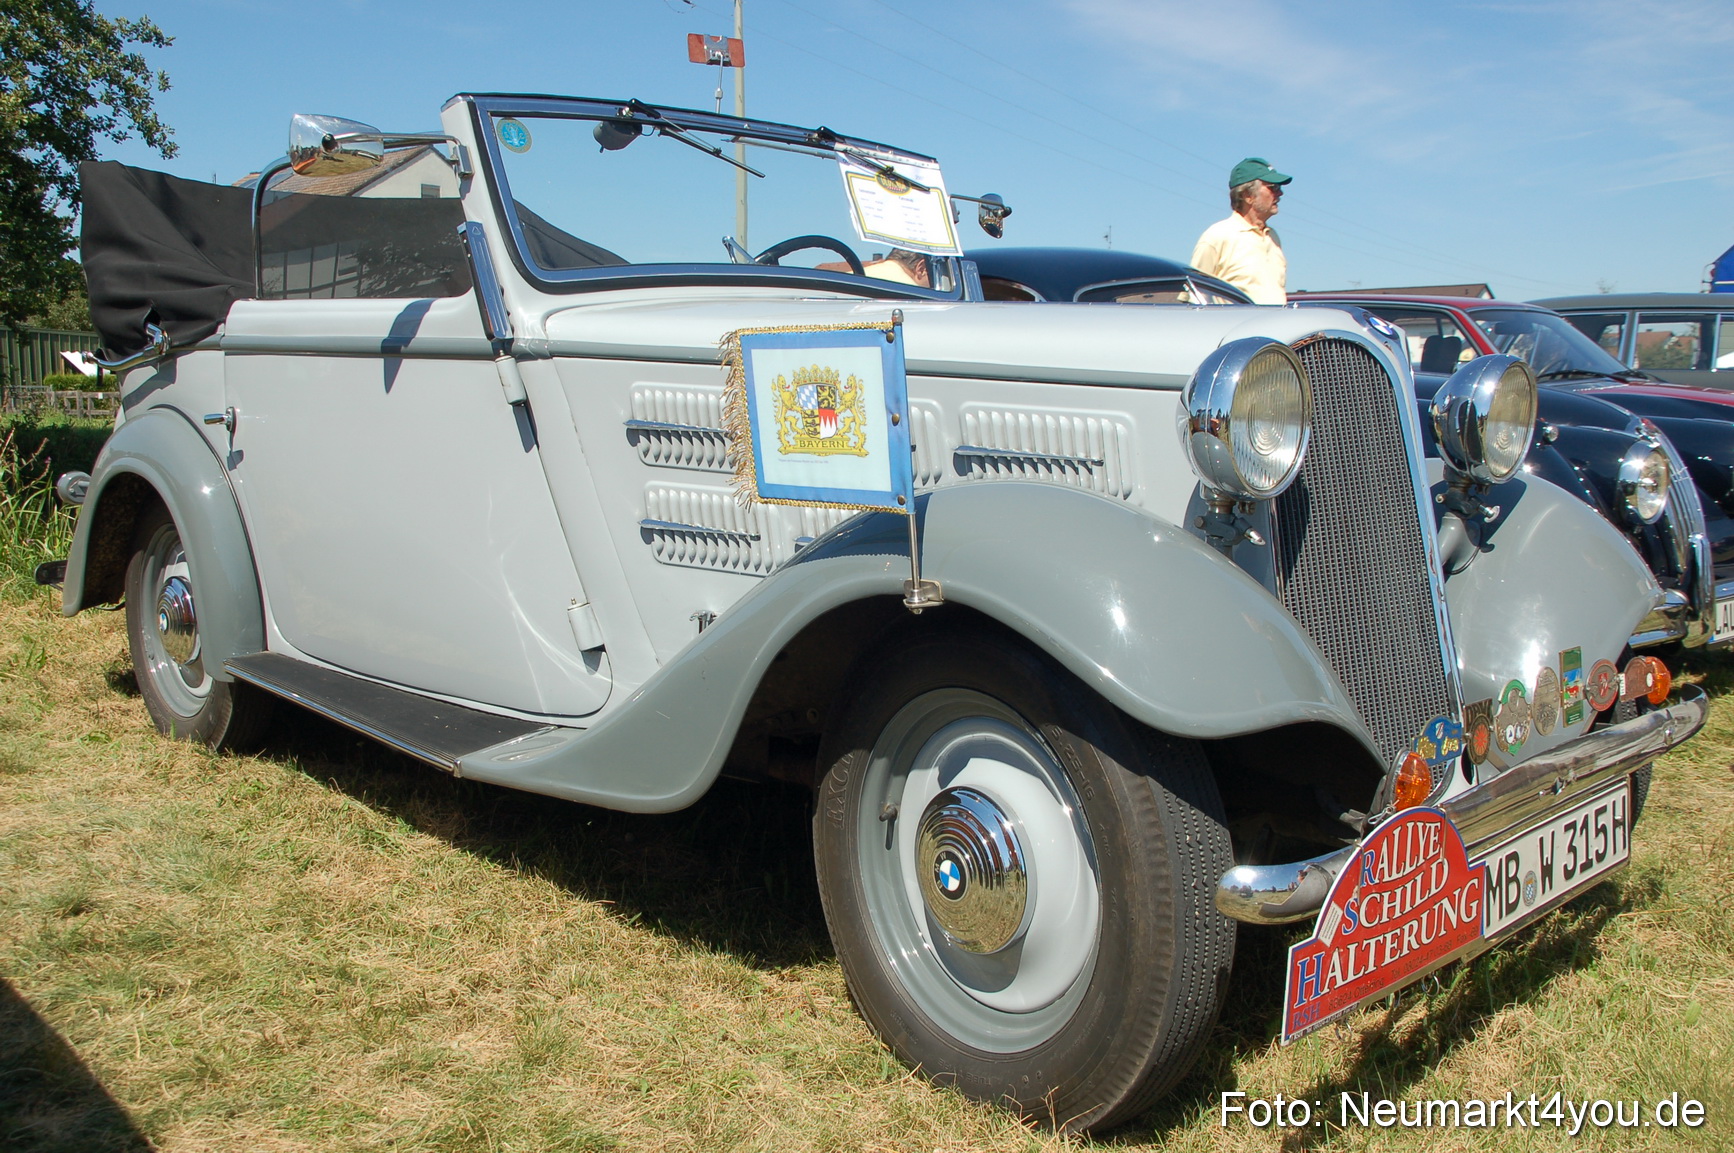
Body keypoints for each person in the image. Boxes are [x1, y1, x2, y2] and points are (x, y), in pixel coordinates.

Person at [1190, 158, 1292, 305]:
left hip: (1277, 319)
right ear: (1247, 196)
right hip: (1236, 320)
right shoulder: (1217, 236)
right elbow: (1195, 297)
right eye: (1273, 188)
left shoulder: (1273, 237)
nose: (1280, 193)